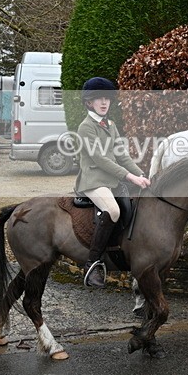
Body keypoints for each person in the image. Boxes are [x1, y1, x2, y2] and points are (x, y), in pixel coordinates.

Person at [74, 77, 151, 288]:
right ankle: (92, 264)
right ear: (89, 102)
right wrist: (129, 177)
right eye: (99, 99)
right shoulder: (85, 127)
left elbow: (122, 156)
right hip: (93, 181)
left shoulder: (110, 124)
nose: (104, 102)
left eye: (107, 98)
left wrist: (142, 174)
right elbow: (100, 159)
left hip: (111, 180)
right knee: (113, 211)